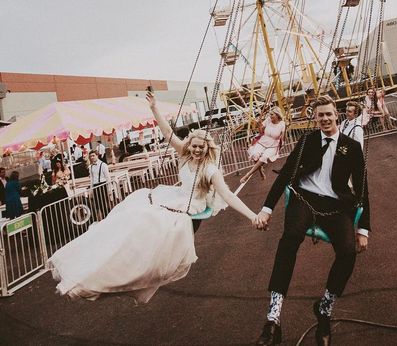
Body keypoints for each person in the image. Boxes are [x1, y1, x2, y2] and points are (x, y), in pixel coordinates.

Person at [48, 91, 263, 304]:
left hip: (190, 207)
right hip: (173, 197)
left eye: (201, 147)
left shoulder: (210, 171)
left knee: (156, 229)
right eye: (194, 146)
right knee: (133, 215)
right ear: (190, 145)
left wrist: (253, 216)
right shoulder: (184, 154)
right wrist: (154, 109)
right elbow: (168, 132)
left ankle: (135, 275)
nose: (197, 150)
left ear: (208, 148)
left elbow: (227, 195)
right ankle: (102, 269)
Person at [255, 95, 370, 346]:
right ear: (315, 118)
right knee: (290, 238)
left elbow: (362, 187)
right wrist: (266, 208)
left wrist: (364, 228)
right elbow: (286, 174)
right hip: (305, 199)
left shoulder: (351, 147)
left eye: (329, 114)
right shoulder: (307, 141)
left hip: (335, 205)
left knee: (348, 251)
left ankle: (325, 309)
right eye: (320, 115)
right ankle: (273, 318)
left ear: (336, 115)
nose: (325, 119)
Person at [240, 107, 286, 184]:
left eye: (272, 114)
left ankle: (247, 175)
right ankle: (261, 171)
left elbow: (284, 138)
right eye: (270, 114)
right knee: (255, 155)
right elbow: (261, 132)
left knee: (264, 157)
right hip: (263, 141)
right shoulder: (268, 120)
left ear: (277, 115)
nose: (270, 116)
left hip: (273, 145)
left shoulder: (282, 124)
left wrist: (286, 130)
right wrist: (259, 125)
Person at [88, 150, 112, 219]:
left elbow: (108, 177)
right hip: (95, 186)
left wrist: (109, 189)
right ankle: (102, 219)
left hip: (102, 185)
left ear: (97, 156)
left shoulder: (103, 165)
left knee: (104, 204)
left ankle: (108, 218)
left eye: (93, 156)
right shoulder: (90, 167)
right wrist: (91, 190)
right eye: (90, 156)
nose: (92, 157)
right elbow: (91, 179)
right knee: (97, 204)